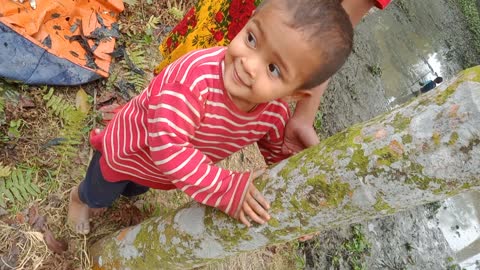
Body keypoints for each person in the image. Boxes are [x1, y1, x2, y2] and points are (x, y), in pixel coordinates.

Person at [68, 0, 354, 234]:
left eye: (274, 69)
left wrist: (295, 169)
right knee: (101, 192)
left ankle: (124, 190)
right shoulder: (193, 80)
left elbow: (274, 150)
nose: (249, 64)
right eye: (252, 38)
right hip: (128, 150)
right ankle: (79, 199)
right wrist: (225, 188)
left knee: (134, 190)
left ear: (293, 95)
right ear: (248, 20)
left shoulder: (274, 113)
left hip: (160, 172)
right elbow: (168, 147)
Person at [154, 0, 392, 156]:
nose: (249, 67)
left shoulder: (270, 113)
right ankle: (145, 115)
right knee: (189, 76)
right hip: (254, 18)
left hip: (282, 34)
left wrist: (303, 118)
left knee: (211, 105)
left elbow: (333, 38)